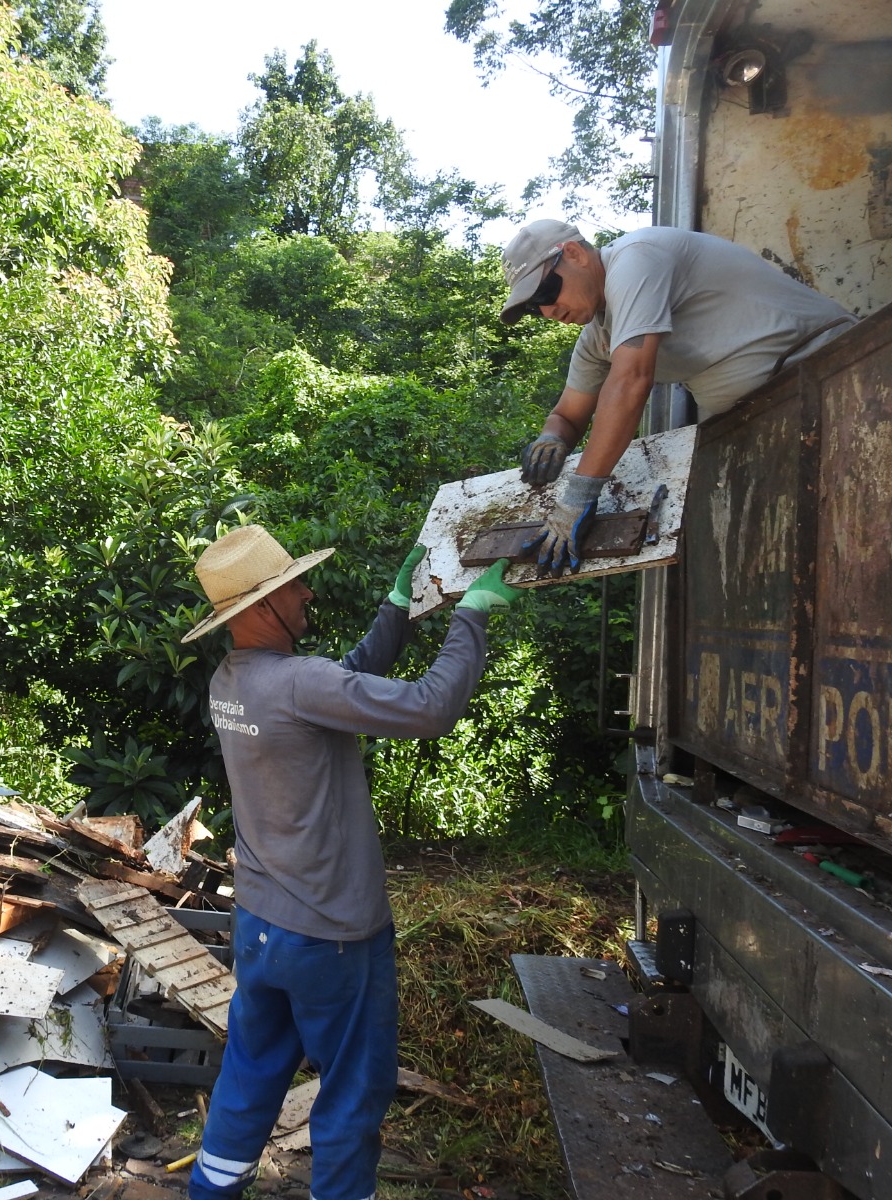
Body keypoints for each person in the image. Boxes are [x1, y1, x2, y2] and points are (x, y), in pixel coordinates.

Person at [179, 524, 520, 1200]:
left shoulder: (231, 680)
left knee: (249, 1074)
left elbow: (340, 685)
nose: (307, 593)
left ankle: (209, 1191)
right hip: (332, 935)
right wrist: (472, 615)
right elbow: (429, 708)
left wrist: (397, 611)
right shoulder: (299, 682)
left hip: (261, 926)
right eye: (293, 586)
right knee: (351, 1094)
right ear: (261, 607)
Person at [499, 219, 855, 573]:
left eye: (545, 293)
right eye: (534, 308)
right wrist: (552, 439)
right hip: (768, 421)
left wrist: (579, 496)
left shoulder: (636, 258)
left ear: (574, 254)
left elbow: (631, 380)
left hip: (833, 373)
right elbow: (567, 415)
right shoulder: (597, 339)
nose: (547, 311)